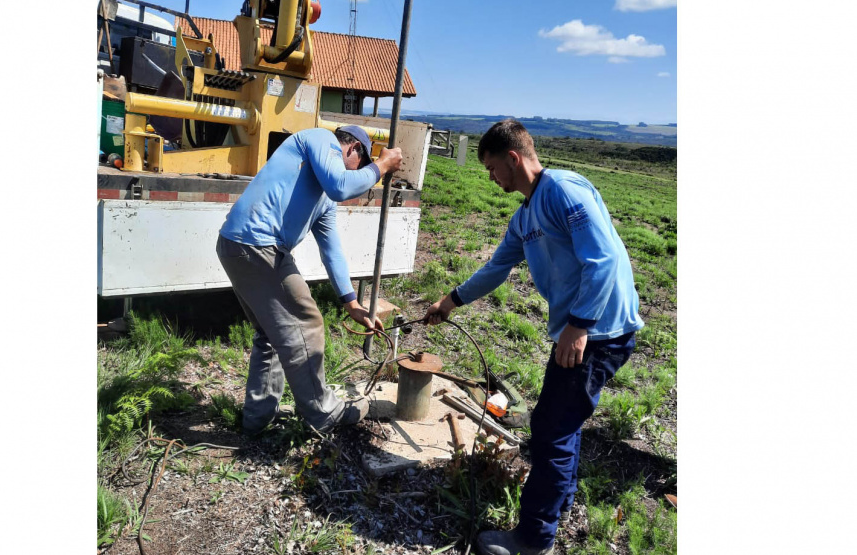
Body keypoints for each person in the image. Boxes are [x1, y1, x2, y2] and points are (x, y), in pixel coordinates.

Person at [424, 119, 644, 555]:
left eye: (491, 168)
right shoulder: (524, 216)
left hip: (599, 330)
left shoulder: (563, 191)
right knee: (561, 423)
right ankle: (559, 502)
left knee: (549, 432)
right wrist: (450, 301)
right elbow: (495, 268)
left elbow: (602, 259)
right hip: (579, 330)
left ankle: (533, 539)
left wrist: (579, 326)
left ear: (513, 158)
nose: (489, 177)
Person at [216, 125, 403, 434]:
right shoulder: (319, 138)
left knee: (271, 334)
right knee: (307, 321)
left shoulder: (324, 199)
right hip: (257, 244)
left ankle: (258, 419)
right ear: (353, 148)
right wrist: (381, 166)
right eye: (362, 163)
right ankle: (323, 412)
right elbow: (343, 185)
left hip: (238, 246)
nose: (361, 172)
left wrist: (351, 302)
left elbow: (332, 251)